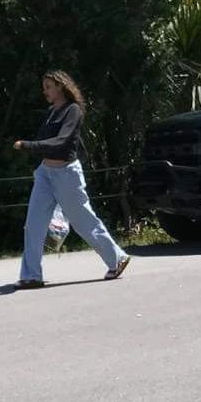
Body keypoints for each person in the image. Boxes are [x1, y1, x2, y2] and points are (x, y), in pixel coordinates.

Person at [13, 69, 130, 289]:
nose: (44, 91)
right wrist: (37, 157)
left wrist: (29, 146)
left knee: (83, 221)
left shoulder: (72, 111)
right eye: (44, 86)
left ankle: (117, 258)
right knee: (33, 225)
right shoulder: (50, 112)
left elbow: (62, 142)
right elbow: (44, 141)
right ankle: (31, 275)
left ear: (61, 86)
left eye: (48, 86)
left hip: (66, 174)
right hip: (45, 174)